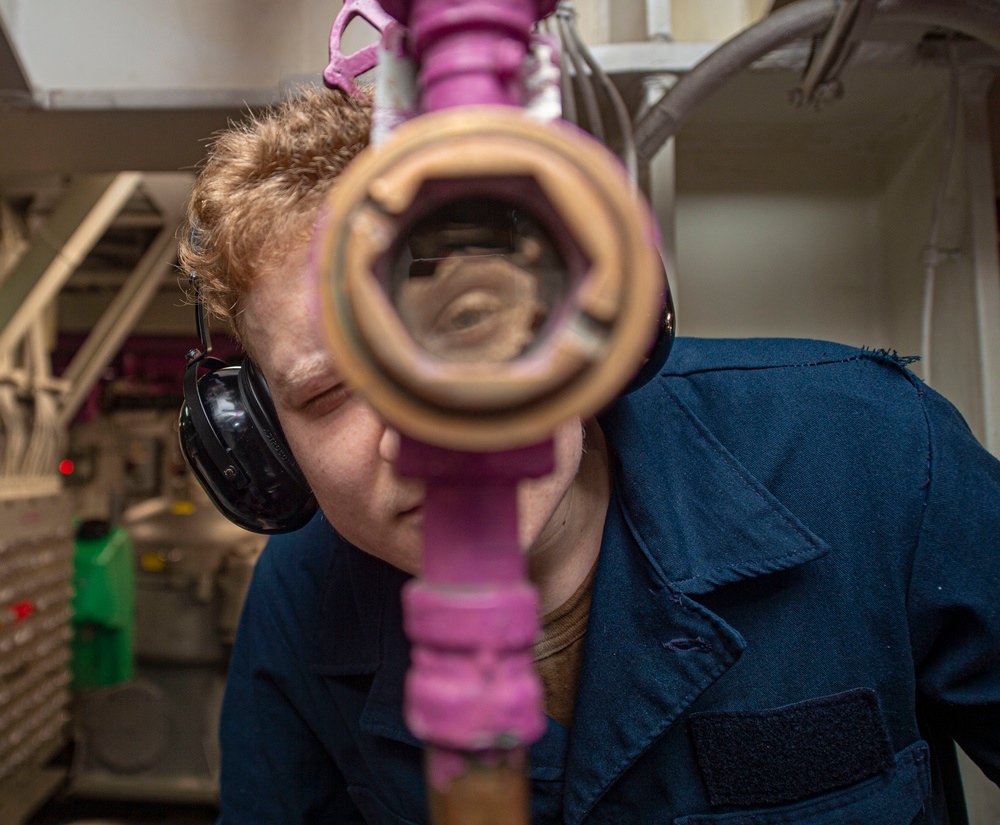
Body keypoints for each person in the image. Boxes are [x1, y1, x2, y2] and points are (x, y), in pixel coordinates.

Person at [179, 84, 1000, 824]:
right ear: (262, 442)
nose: (421, 437)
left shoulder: (875, 451)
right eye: (329, 394)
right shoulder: (298, 597)